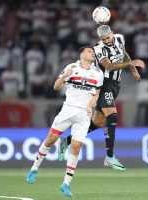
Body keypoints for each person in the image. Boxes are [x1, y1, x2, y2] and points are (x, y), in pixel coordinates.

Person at [58, 25, 145, 170]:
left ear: (112, 33)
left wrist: (133, 70)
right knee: (112, 117)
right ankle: (110, 156)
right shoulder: (98, 48)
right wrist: (130, 64)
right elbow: (109, 67)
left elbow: (124, 54)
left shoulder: (119, 38)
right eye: (103, 39)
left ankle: (66, 142)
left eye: (108, 37)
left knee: (98, 123)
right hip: (104, 84)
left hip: (116, 84)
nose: (106, 40)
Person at [26, 46, 103, 197]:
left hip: (83, 114)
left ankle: (66, 184)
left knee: (76, 148)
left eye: (93, 52)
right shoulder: (71, 68)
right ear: (81, 54)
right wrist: (63, 77)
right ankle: (34, 169)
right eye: (89, 51)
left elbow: (97, 94)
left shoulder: (98, 73)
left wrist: (90, 106)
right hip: (68, 110)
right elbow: (56, 87)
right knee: (50, 139)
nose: (92, 53)